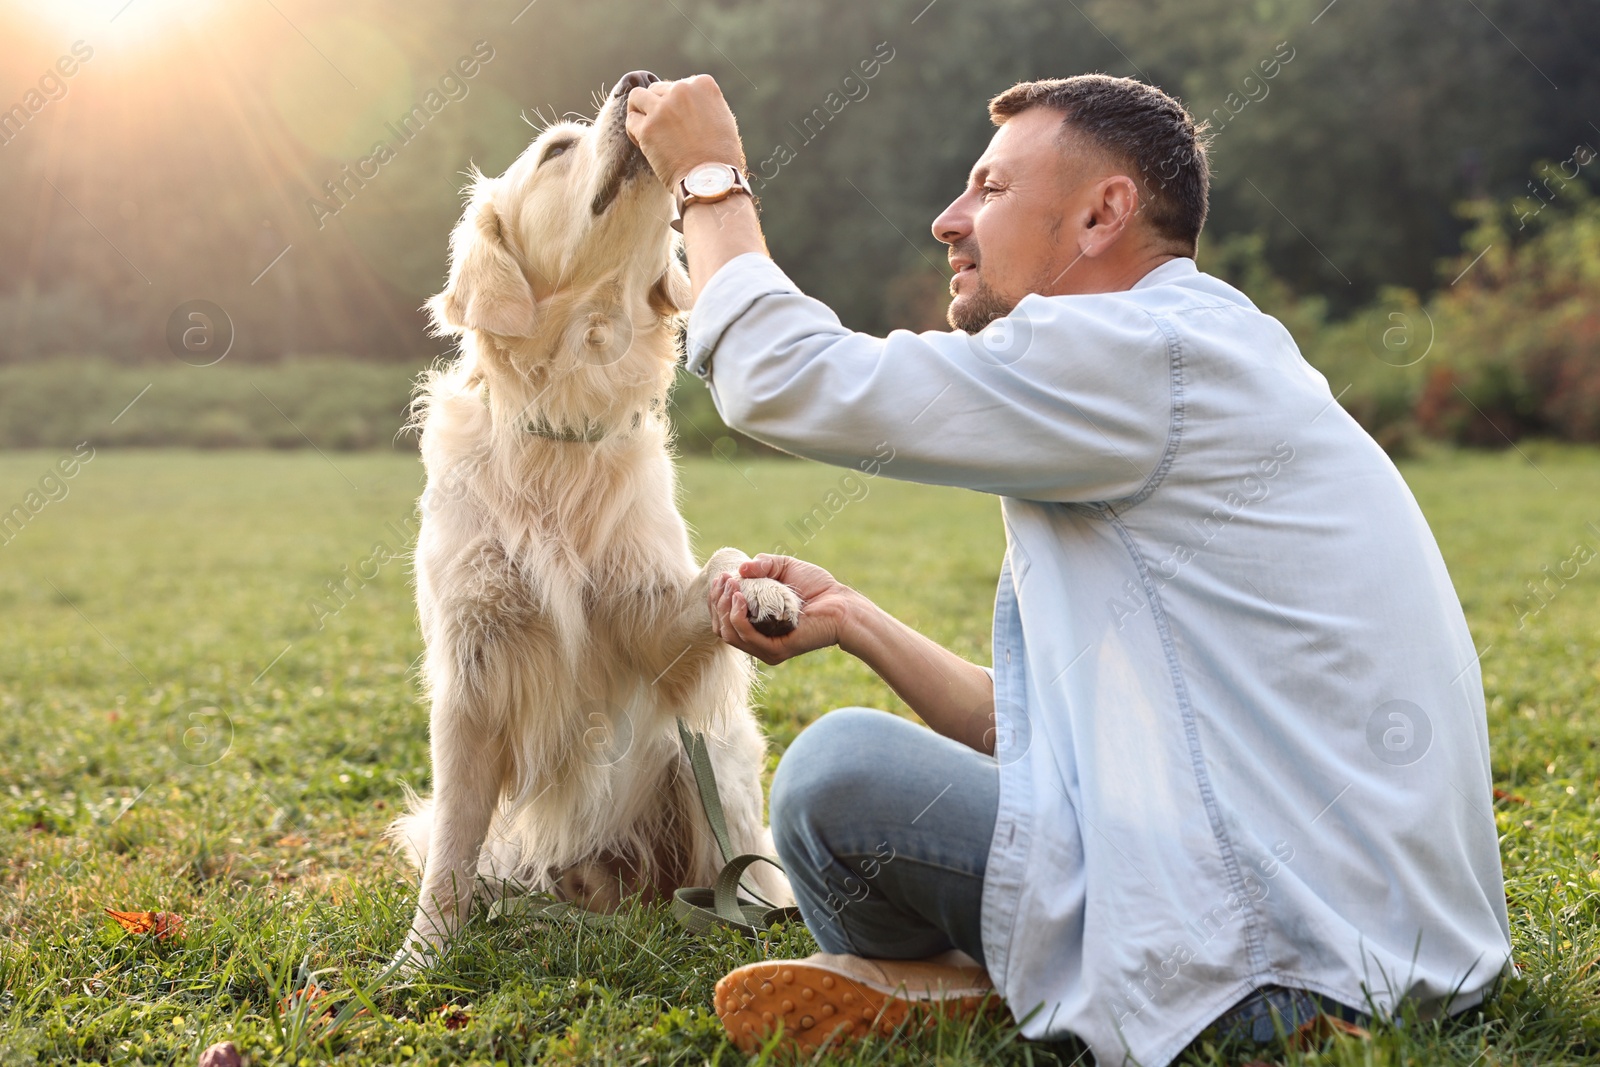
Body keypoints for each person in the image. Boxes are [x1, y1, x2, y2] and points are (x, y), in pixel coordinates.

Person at [626, 73, 1511, 1065]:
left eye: (990, 189)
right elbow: (1051, 742)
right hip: (1401, 954)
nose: (947, 221)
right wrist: (861, 621)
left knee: (836, 775)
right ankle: (997, 985)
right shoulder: (1195, 352)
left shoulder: (1135, 351)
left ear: (1101, 212)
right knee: (862, 770)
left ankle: (998, 985)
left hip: (1284, 961)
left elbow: (786, 380)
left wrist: (708, 177)